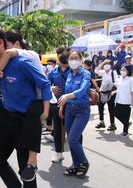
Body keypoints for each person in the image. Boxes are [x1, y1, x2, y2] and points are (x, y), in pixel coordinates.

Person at [0, 27, 52, 188]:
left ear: (0, 43)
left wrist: (45, 111)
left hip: (25, 123)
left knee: (26, 173)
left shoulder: (21, 63)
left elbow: (44, 84)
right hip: (6, 120)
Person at [58, 50, 91, 179]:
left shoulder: (85, 74)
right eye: (71, 58)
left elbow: (83, 90)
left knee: (72, 139)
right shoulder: (69, 74)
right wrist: (62, 105)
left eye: (76, 58)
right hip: (69, 109)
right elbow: (66, 91)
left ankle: (84, 162)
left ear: (81, 59)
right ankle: (76, 165)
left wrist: (68, 96)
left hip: (82, 110)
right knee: (71, 140)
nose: (73, 60)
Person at [45, 47, 70, 163]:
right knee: (58, 130)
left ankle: (77, 158)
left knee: (73, 131)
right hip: (57, 105)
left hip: (72, 105)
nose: (63, 56)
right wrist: (51, 88)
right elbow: (43, 86)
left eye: (66, 54)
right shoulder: (53, 72)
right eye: (61, 55)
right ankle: (58, 153)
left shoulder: (74, 70)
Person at [95, 59, 119, 130]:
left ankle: (112, 124)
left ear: (111, 66)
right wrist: (102, 63)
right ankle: (102, 122)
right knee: (100, 107)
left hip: (110, 92)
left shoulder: (113, 73)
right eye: (105, 64)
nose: (106, 66)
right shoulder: (103, 72)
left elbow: (117, 82)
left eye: (108, 64)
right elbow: (96, 71)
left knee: (111, 108)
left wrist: (114, 90)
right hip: (103, 92)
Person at [112, 65, 133, 137]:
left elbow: (132, 91)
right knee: (116, 113)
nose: (122, 71)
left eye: (124, 70)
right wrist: (114, 92)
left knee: (126, 115)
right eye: (122, 70)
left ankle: (125, 131)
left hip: (126, 100)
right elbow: (119, 88)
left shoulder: (130, 80)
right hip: (119, 99)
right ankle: (126, 123)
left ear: (128, 71)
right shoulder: (120, 78)